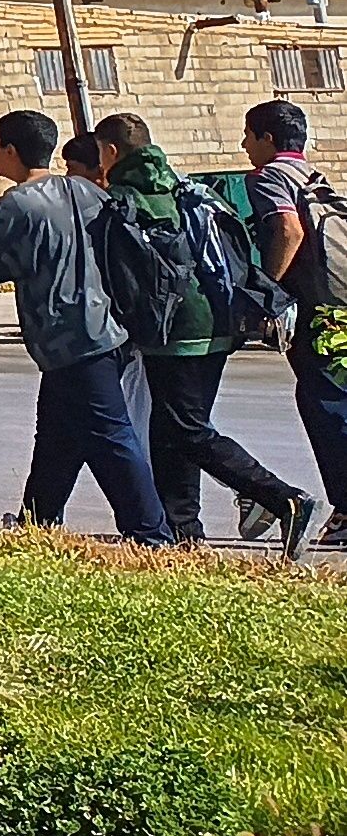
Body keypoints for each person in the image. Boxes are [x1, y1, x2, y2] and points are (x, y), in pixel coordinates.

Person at [91, 112, 313, 554]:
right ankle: (184, 532)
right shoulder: (184, 188)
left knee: (188, 429)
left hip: (176, 331)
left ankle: (282, 499)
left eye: (100, 153)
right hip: (216, 320)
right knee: (171, 427)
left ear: (112, 151)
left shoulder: (123, 199)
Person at [0, 112, 169, 545]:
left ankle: (152, 536)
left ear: (11, 150)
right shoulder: (87, 191)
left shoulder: (16, 205)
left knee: (112, 438)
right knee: (57, 434)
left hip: (72, 339)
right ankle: (38, 523)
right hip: (107, 330)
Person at [241, 98, 347, 549]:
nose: (245, 144)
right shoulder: (315, 178)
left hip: (315, 312)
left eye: (249, 135)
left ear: (268, 139)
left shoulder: (268, 178)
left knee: (325, 406)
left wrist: (268, 289)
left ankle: (344, 510)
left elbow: (288, 230)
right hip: (339, 307)